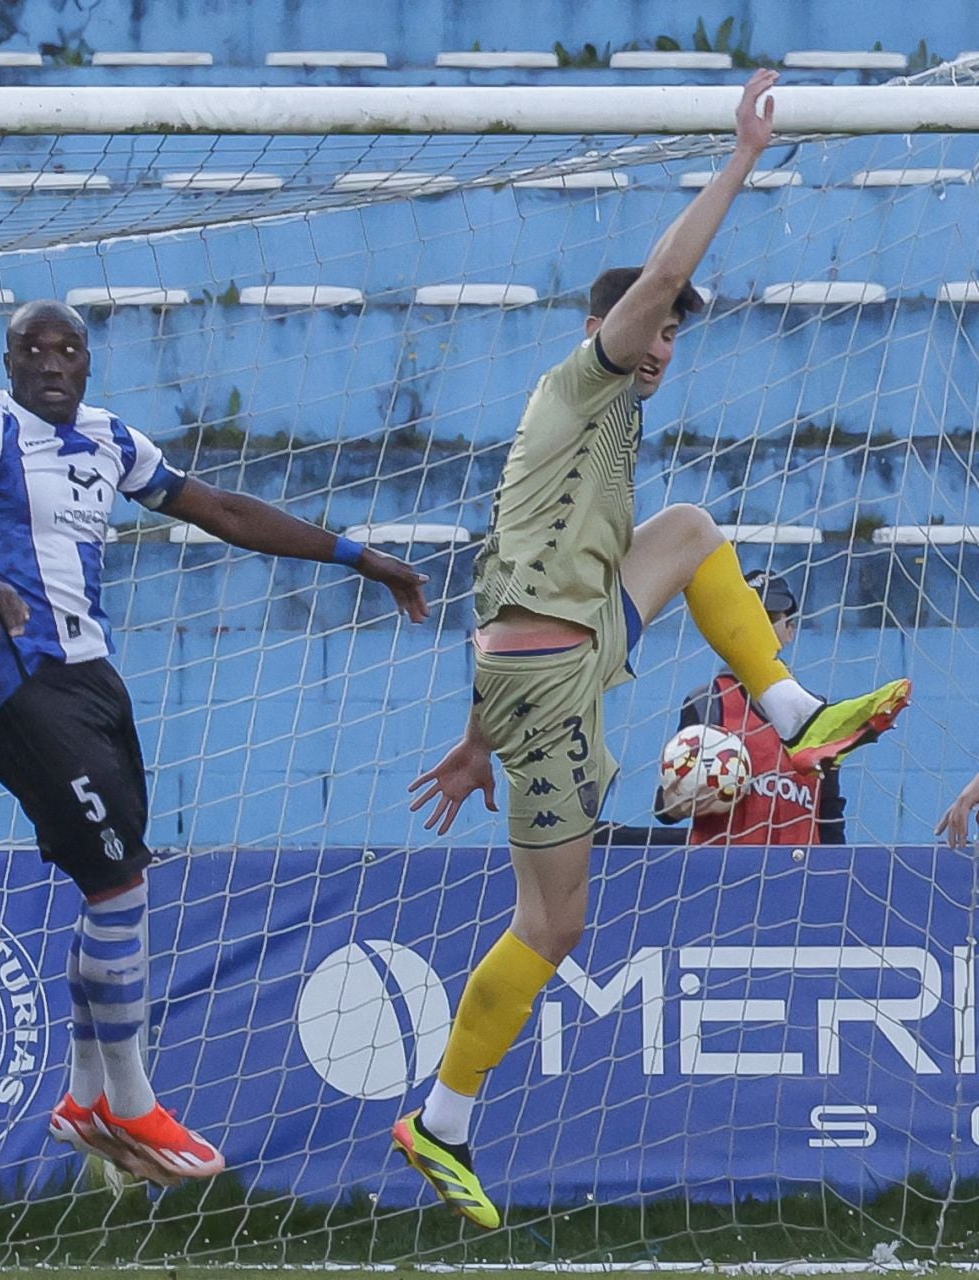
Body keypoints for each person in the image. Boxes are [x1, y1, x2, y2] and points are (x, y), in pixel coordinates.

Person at [399, 70, 912, 1231]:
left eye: (676, 331)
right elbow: (663, 273)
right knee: (554, 925)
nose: (669, 338)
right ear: (612, 325)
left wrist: (479, 738)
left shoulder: (600, 440)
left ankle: (792, 712)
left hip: (541, 662)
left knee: (686, 532)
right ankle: (441, 1120)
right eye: (660, 324)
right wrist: (740, 157)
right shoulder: (588, 377)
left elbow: (511, 587)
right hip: (551, 669)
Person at [0, 300, 431, 1184]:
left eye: (69, 349)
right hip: (17, 679)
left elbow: (219, 507)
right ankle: (134, 1102)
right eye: (34, 350)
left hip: (93, 680)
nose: (53, 363)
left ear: (88, 363)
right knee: (118, 886)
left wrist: (356, 556)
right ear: (8, 361)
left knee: (115, 884)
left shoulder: (112, 437)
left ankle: (82, 1096)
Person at [653, 571, 848, 844]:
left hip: (800, 878)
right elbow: (665, 808)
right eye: (749, 616)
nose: (757, 626)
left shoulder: (816, 712)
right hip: (722, 877)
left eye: (768, 618)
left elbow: (829, 816)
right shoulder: (708, 702)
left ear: (790, 630)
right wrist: (678, 801)